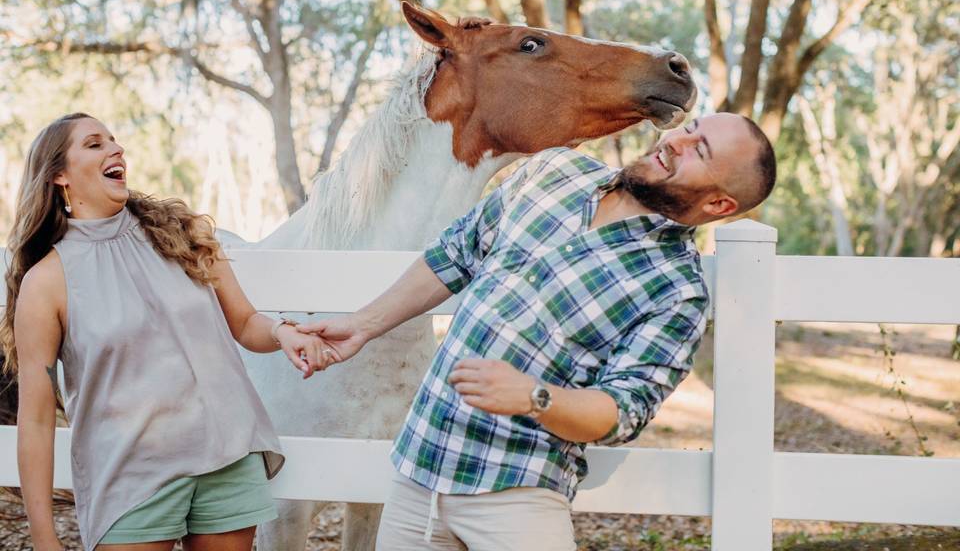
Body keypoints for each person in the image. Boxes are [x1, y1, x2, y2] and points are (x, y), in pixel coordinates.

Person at [297, 112, 777, 550]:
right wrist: (363, 324)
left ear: (718, 202)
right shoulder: (554, 172)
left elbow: (622, 411)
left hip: (517, 495)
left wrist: (534, 396)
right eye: (690, 127)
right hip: (418, 474)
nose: (676, 141)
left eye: (701, 150)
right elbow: (454, 254)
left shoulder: (677, 291)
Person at [1, 113, 338, 551]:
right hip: (129, 478)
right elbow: (37, 418)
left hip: (227, 458)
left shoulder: (180, 235)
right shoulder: (46, 282)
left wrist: (284, 333)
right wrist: (44, 536)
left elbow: (246, 322)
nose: (115, 149)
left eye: (115, 140)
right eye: (95, 144)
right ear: (59, 175)